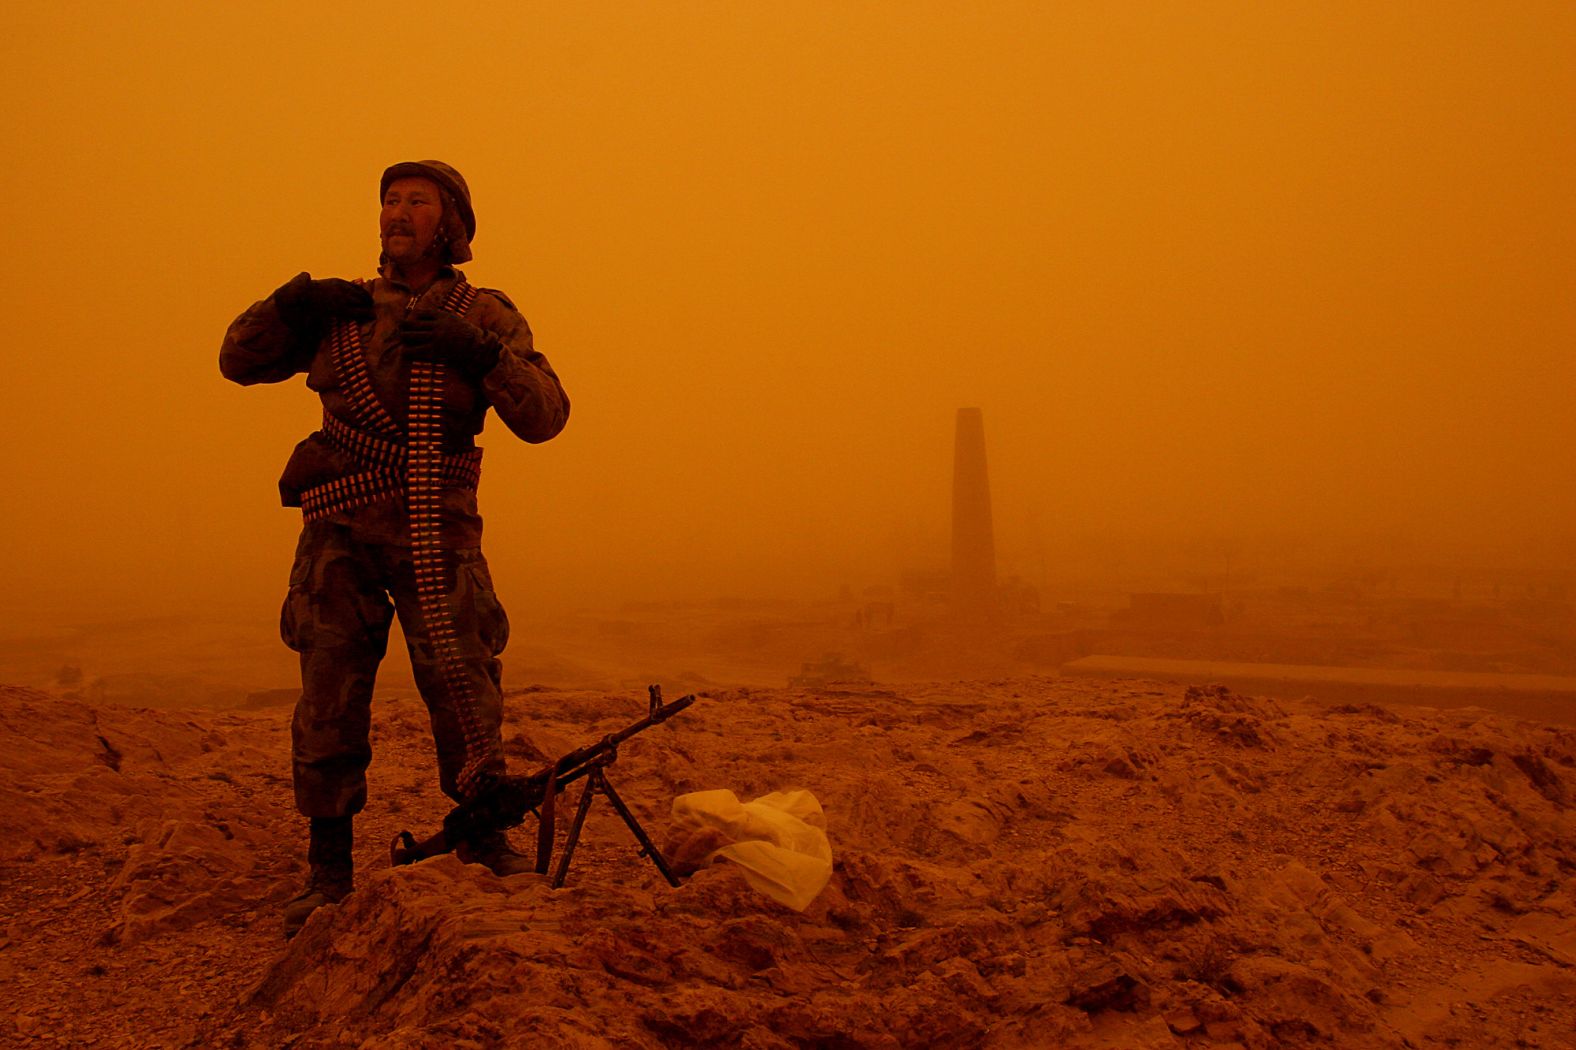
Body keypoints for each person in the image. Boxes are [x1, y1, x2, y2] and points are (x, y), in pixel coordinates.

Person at [220, 161, 570, 937]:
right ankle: (328, 866)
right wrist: (290, 303)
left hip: (436, 532)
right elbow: (236, 361)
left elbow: (547, 415)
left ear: (452, 225)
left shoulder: (482, 312)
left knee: (464, 685)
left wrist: (478, 352)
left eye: (417, 202)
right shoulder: (338, 311)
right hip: (338, 533)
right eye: (389, 199)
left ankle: (482, 830)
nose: (396, 212)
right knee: (328, 697)